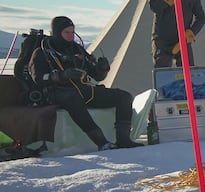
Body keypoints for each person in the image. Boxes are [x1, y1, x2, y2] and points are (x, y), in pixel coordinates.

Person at [28, 16, 144, 151]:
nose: (71, 36)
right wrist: (61, 76)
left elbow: (97, 76)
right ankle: (102, 142)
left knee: (124, 96)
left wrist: (102, 69)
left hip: (83, 91)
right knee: (72, 97)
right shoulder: (42, 53)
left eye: (72, 32)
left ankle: (123, 139)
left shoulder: (77, 50)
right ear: (57, 33)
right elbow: (39, 78)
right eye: (67, 32)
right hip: (57, 92)